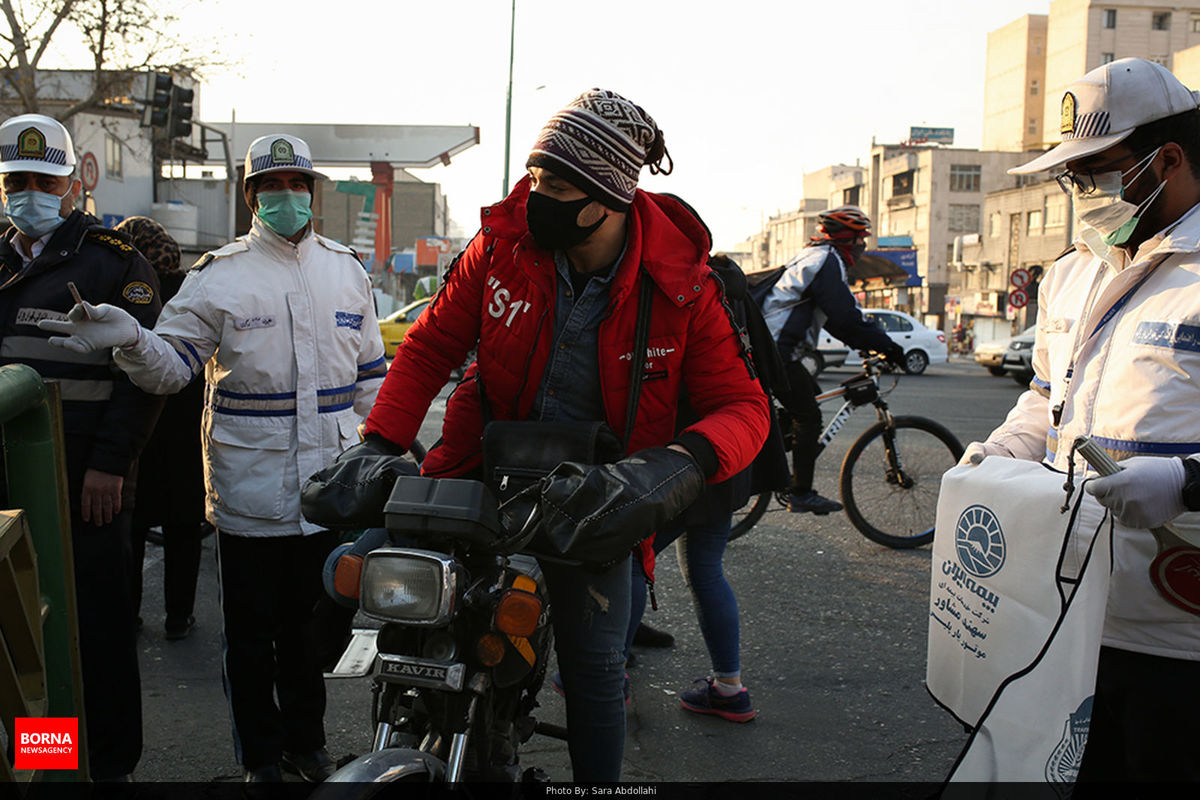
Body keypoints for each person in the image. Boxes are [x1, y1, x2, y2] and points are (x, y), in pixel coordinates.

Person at [357, 89, 770, 781]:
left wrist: (670, 466)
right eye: (535, 172)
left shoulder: (683, 286)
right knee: (378, 602)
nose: (532, 191)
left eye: (553, 181)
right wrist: (378, 445)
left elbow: (743, 406)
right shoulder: (500, 244)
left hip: (600, 503)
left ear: (605, 197)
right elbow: (429, 349)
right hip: (475, 475)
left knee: (597, 673)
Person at [40, 134, 387, 783]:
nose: (286, 197)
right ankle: (260, 761)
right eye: (271, 186)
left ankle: (306, 749)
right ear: (250, 196)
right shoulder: (218, 276)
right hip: (249, 492)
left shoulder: (347, 269)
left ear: (312, 192)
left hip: (328, 491)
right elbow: (171, 369)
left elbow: (371, 375)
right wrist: (133, 341)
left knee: (307, 635)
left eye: (296, 184)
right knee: (252, 639)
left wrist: (381, 451)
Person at [962, 57, 1200, 782]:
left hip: (1181, 628)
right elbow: (1048, 392)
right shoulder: (1076, 269)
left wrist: (1187, 480)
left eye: (1095, 172)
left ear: (1169, 157)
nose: (1080, 194)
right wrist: (1005, 448)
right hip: (1071, 609)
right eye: (1071, 177)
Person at [0, 113, 165, 781]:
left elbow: (143, 380)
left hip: (83, 482)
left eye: (44, 179)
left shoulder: (116, 264)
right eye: (17, 180)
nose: (29, 192)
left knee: (91, 629)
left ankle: (111, 768)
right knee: (26, 634)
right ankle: (51, 762)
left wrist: (109, 466)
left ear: (72, 186)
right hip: (10, 486)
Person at [759, 206, 904, 514]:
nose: (863, 246)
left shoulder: (813, 256)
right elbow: (845, 316)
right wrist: (889, 347)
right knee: (808, 417)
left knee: (808, 398)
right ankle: (800, 491)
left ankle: (777, 461)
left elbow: (836, 321)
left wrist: (866, 344)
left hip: (773, 348)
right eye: (861, 239)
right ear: (847, 239)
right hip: (778, 352)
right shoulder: (827, 261)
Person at [118, 216, 206, 641]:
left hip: (137, 436)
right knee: (184, 532)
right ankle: (178, 616)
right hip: (188, 436)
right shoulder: (190, 295)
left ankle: (128, 612)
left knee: (131, 529)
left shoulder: (124, 296)